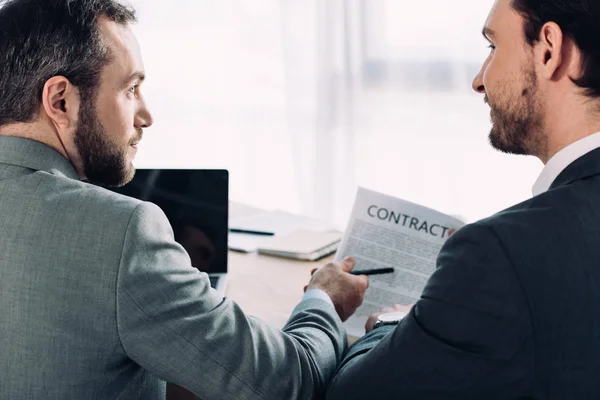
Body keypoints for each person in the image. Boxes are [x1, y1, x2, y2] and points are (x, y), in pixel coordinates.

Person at [0, 1, 369, 399]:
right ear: (60, 101)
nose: (146, 115)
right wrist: (323, 298)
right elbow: (290, 381)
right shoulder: (120, 232)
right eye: (130, 89)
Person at [326, 0, 600, 399]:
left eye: (493, 47)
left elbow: (350, 395)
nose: (478, 80)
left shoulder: (499, 252)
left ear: (549, 49)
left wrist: (392, 325)